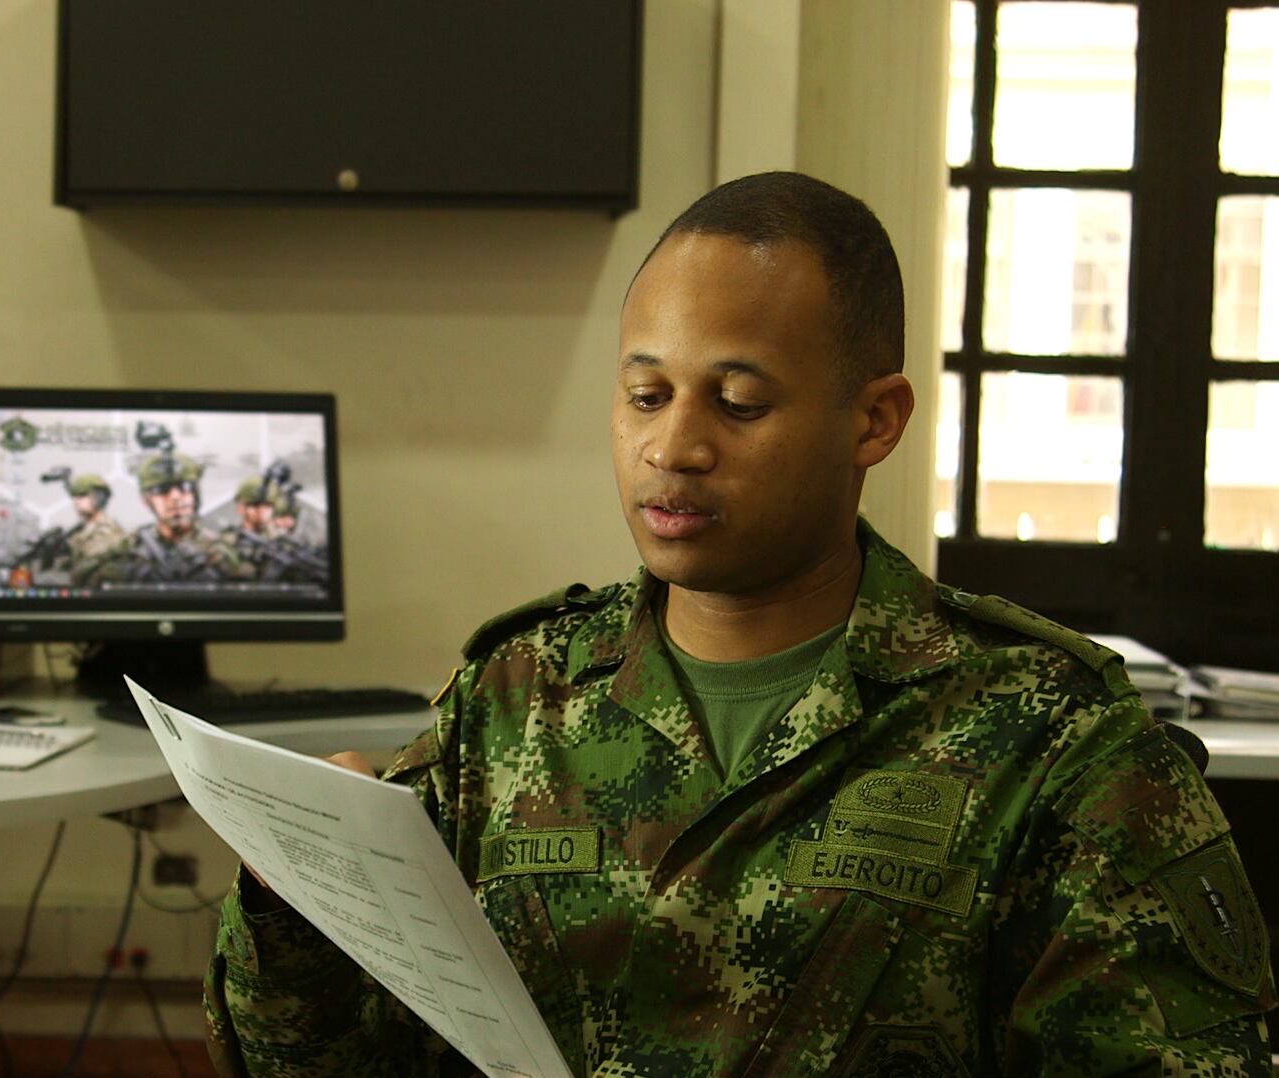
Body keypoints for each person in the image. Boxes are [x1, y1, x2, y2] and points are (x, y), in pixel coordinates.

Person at [203, 172, 1277, 1075]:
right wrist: (293, 892)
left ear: (874, 419)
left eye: (737, 403)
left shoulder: (1050, 742)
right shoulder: (512, 696)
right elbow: (319, 1059)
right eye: (643, 396)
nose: (673, 447)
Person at [75, 454, 254, 585]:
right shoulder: (130, 544)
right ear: (146, 500)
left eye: (185, 487)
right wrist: (130, 573)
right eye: (162, 490)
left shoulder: (219, 548)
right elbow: (81, 575)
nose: (175, 497)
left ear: (195, 494)